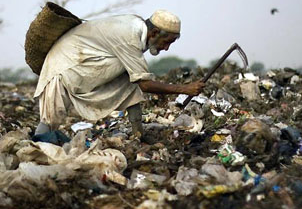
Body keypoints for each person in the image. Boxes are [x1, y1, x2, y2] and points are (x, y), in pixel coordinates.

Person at [33, 9, 204, 138]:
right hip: (64, 64)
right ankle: (37, 145)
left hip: (84, 65)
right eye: (167, 42)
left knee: (131, 82)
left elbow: (138, 83)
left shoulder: (137, 30)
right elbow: (145, 85)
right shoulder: (130, 36)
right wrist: (184, 89)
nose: (166, 48)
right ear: (154, 33)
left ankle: (138, 134)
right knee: (50, 119)